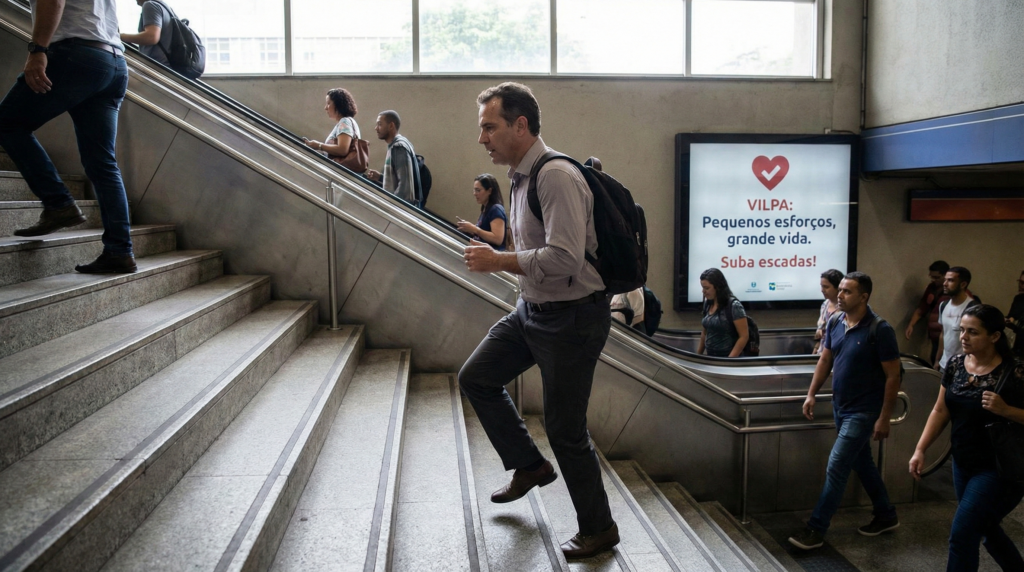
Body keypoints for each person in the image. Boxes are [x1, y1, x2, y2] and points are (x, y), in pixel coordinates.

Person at [459, 82, 618, 559]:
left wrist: (499, 261)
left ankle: (600, 528)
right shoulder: (518, 175)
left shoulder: (555, 176)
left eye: (490, 127)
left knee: (566, 430)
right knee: (478, 377)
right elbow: (534, 247)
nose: (482, 138)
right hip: (533, 310)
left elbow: (566, 258)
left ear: (520, 125)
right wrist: (507, 260)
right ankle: (529, 466)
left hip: (572, 319)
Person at [0, 0, 137, 273]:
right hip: (113, 63)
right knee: (102, 163)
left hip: (76, 54)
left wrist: (37, 50)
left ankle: (58, 202)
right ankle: (119, 250)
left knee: (7, 123)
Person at [789, 272, 900, 551]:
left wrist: (884, 417)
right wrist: (812, 393)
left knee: (837, 466)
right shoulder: (836, 320)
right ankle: (885, 514)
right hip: (842, 406)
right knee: (862, 463)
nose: (840, 295)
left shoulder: (880, 329)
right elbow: (826, 358)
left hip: (864, 411)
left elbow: (893, 377)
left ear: (864, 297)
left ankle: (816, 529)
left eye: (847, 291)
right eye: (840, 290)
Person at [909, 304, 1024, 571]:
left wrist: (1005, 410)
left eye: (973, 332)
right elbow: (940, 410)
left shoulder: (1016, 370)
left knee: (962, 534)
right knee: (985, 528)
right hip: (963, 462)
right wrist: (920, 449)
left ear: (994, 336)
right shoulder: (957, 364)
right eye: (962, 330)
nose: (963, 337)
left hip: (998, 468)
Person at [365, 110, 421, 206]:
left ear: (391, 126)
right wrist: (381, 178)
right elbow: (399, 180)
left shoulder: (399, 147)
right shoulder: (397, 145)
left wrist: (392, 207)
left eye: (379, 124)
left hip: (398, 210)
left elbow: (404, 186)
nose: (376, 128)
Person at [905, 260, 951, 364]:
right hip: (935, 336)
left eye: (937, 277)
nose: (934, 280)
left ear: (945, 275)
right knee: (934, 358)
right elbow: (922, 308)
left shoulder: (952, 291)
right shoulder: (932, 288)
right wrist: (911, 325)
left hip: (948, 337)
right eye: (932, 277)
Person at [697, 268, 749, 358]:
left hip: (728, 359)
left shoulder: (734, 306)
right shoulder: (708, 304)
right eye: (703, 288)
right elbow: (705, 332)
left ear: (718, 287)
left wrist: (729, 361)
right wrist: (698, 356)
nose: (703, 291)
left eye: (707, 288)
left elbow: (744, 336)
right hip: (711, 357)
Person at [937, 266, 979, 372]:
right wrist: (937, 360)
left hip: (964, 366)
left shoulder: (972, 308)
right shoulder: (943, 305)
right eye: (945, 279)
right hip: (944, 364)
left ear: (963, 284)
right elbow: (943, 333)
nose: (944, 283)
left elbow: (978, 339)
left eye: (950, 280)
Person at [302, 88, 360, 164]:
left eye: (328, 103)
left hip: (341, 171)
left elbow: (343, 150)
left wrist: (319, 145)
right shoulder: (348, 122)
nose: (325, 108)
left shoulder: (345, 122)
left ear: (338, 104)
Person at [455, 174, 506, 251]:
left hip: (492, 257)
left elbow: (497, 239)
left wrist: (475, 229)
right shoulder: (485, 208)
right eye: (474, 190)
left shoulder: (496, 209)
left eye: (478, 190)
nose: (474, 193)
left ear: (489, 191)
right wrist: (469, 229)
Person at [119, 0, 172, 67]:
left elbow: (152, 37)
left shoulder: (150, 5)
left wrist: (119, 36)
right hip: (167, 66)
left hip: (156, 67)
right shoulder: (164, 7)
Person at [813, 269, 843, 354]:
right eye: (821, 286)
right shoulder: (825, 305)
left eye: (826, 287)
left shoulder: (845, 308)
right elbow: (821, 334)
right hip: (821, 354)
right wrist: (815, 350)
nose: (822, 290)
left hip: (835, 356)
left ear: (838, 288)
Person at [1006, 270, 1024, 358]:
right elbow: (1012, 316)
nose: (1021, 286)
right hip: (1017, 348)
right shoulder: (1019, 299)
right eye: (1020, 282)